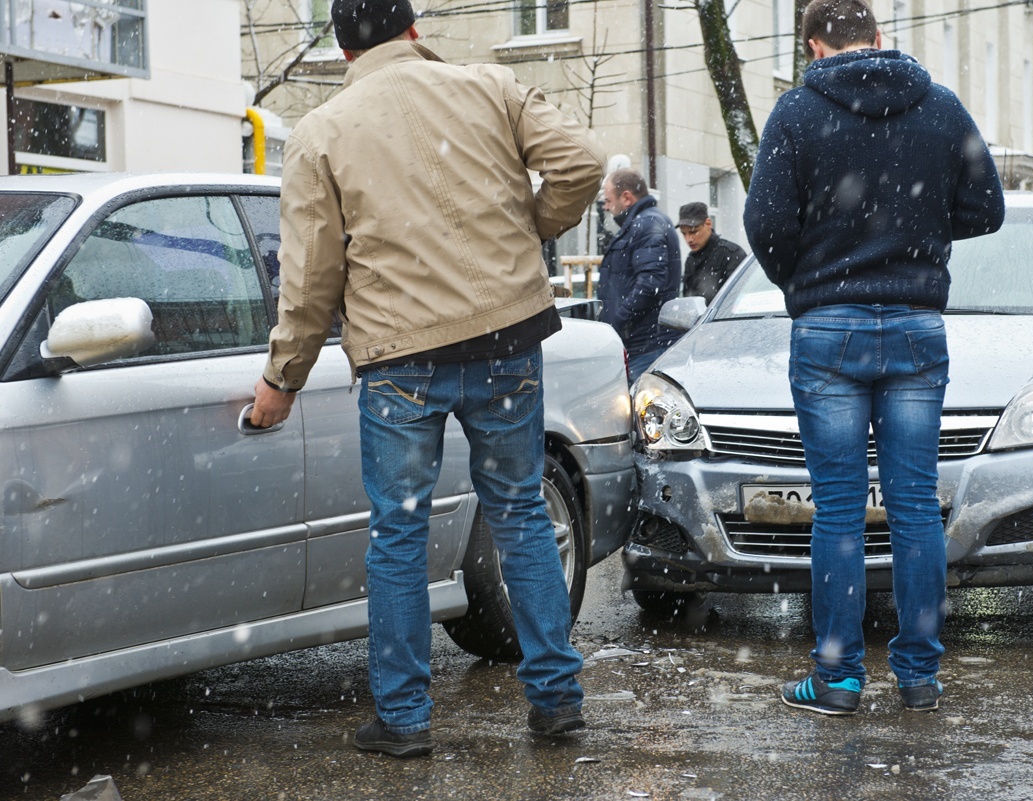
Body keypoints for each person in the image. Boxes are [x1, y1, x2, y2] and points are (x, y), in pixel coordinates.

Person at [249, 0, 606, 757]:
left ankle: (405, 718)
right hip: (507, 339)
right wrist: (531, 226)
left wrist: (284, 377)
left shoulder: (322, 133)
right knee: (518, 511)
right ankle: (555, 697)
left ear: (346, 51)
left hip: (400, 359)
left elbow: (312, 276)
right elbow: (581, 163)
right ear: (414, 31)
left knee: (400, 533)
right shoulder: (490, 87)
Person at [743, 0, 1004, 716]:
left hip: (829, 330)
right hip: (917, 326)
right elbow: (988, 209)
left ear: (815, 47)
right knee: (916, 506)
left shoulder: (797, 111)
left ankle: (838, 678)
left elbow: (764, 222)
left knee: (837, 510)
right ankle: (919, 677)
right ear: (880, 39)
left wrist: (809, 277)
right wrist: (912, 231)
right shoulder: (941, 107)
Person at [597, 168, 682, 382]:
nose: (606, 206)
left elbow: (651, 283)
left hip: (645, 345)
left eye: (608, 200)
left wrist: (620, 320)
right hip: (642, 342)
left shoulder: (646, 224)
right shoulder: (642, 223)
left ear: (626, 197)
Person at [676, 201, 746, 304]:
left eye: (693, 232)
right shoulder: (691, 258)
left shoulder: (732, 254)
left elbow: (739, 299)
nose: (688, 239)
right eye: (684, 234)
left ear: (708, 224)